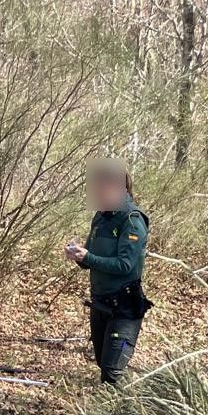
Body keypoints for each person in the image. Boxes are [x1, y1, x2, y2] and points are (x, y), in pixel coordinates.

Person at [66, 157, 152, 386]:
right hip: (100, 304)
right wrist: (78, 255)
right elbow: (90, 260)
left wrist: (89, 257)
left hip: (124, 308)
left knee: (112, 373)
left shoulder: (132, 221)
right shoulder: (101, 218)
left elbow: (125, 265)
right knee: (103, 363)